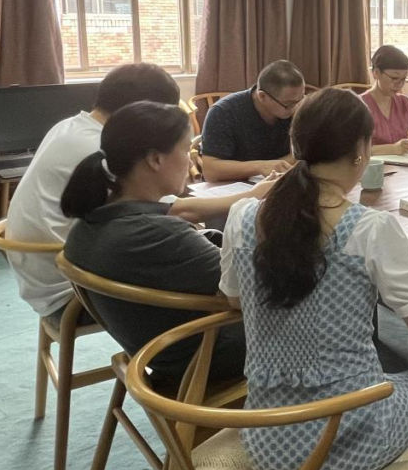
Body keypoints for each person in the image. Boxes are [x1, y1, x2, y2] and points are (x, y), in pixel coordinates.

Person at [219, 87, 408, 470]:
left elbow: (234, 300)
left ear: (295, 144)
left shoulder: (243, 216)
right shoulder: (370, 229)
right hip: (346, 440)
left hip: (265, 441)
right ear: (362, 152)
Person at [61, 101, 267, 385]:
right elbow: (254, 291)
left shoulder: (92, 221)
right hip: (203, 358)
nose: (191, 163)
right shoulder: (154, 234)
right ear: (156, 159)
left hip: (159, 348)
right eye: (185, 150)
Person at [6, 63, 181, 324]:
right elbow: (169, 211)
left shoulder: (69, 126)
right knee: (208, 281)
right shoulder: (99, 147)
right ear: (139, 115)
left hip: (46, 278)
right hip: (73, 293)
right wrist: (241, 202)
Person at [199, 60, 304, 181]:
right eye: (289, 104)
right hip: (234, 185)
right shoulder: (224, 112)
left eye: (300, 99)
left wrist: (276, 166)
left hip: (280, 181)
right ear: (262, 96)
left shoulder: (299, 107)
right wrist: (259, 167)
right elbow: (211, 171)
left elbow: (301, 156)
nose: (296, 108)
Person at [361, 45, 408, 155]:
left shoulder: (403, 102)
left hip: (404, 164)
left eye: (404, 79)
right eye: (395, 78)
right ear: (376, 73)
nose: (399, 84)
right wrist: (392, 149)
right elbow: (353, 150)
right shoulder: (359, 106)